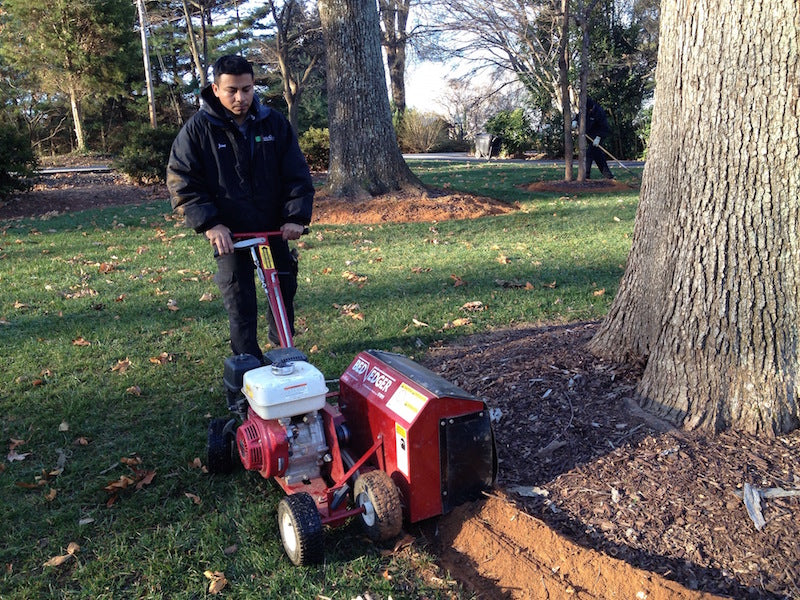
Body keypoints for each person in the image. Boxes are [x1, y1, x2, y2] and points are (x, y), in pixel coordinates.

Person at [167, 55, 314, 363]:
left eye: (247, 89)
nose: (241, 98)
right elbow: (182, 181)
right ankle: (246, 359)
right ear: (215, 89)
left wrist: (295, 216)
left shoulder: (273, 123)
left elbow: (296, 174)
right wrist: (211, 224)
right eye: (232, 90)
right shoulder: (198, 129)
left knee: (283, 285)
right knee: (239, 296)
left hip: (273, 227)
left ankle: (283, 348)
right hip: (230, 233)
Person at [574, 97, 614, 179]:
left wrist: (598, 137)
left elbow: (604, 127)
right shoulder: (584, 111)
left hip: (597, 138)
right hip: (589, 137)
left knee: (589, 154)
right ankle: (609, 176)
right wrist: (575, 121)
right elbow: (579, 116)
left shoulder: (599, 112)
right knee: (599, 157)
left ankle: (586, 176)